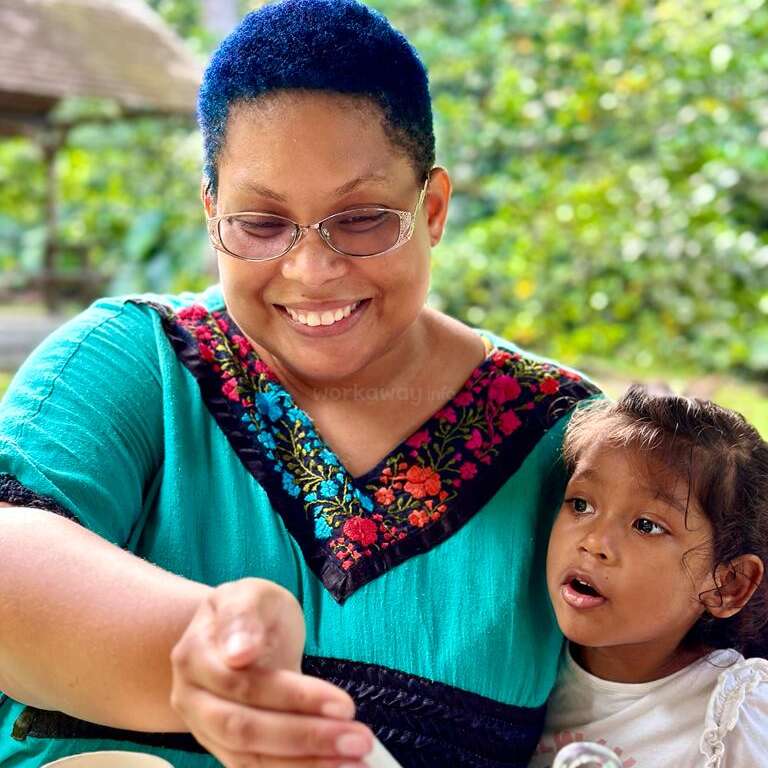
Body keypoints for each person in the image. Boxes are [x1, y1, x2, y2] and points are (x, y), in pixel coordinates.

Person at [0, 1, 599, 767]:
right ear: (212, 212)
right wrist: (201, 653)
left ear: (435, 209)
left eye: (363, 219)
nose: (312, 271)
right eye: (260, 224)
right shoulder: (132, 360)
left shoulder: (569, 438)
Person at [530, 386, 768, 768]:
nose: (594, 542)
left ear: (728, 584)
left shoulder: (734, 715)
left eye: (646, 525)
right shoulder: (523, 657)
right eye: (581, 504)